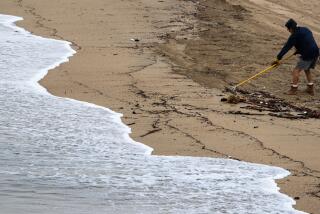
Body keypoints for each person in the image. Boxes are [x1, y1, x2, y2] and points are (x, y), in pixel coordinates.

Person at [272, 19, 319, 95]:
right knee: (307, 69)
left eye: (288, 29)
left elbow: (286, 47)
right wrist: (299, 50)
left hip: (308, 54)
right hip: (316, 51)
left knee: (296, 71)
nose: (288, 30)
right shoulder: (305, 29)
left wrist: (278, 58)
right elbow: (307, 40)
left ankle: (294, 89)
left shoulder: (294, 36)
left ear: (291, 28)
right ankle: (310, 88)